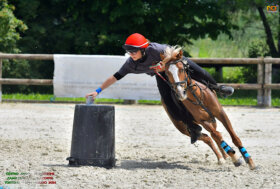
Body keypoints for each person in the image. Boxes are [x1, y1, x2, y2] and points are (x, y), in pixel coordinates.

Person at [85, 33, 234, 144]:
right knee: (169, 103)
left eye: (133, 51)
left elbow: (175, 54)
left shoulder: (157, 49)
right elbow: (115, 77)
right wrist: (98, 91)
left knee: (201, 72)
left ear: (143, 50)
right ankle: (192, 127)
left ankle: (218, 88)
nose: (130, 54)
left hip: (176, 63)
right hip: (162, 76)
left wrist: (164, 63)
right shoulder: (131, 64)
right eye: (129, 51)